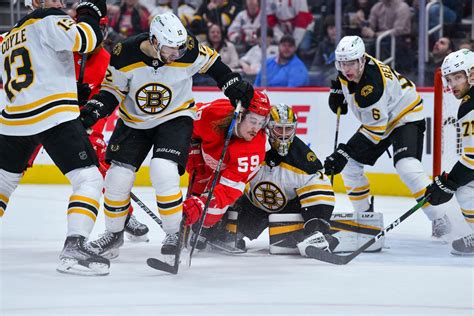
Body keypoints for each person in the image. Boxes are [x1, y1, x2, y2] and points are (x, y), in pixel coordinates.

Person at [81, 12, 255, 258]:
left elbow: (214, 65)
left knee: (163, 170)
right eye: (171, 49)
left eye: (180, 49)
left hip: (175, 117)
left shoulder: (189, 49)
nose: (177, 55)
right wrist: (96, 109)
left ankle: (175, 232)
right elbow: (112, 91)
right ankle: (114, 233)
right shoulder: (124, 53)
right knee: (117, 178)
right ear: (153, 41)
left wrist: (231, 82)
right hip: (134, 121)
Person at [0, 0, 110, 275]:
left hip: (13, 118)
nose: (60, 3)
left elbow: (36, 69)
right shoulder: (49, 18)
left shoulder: (7, 37)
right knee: (89, 178)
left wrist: (71, 89)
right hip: (52, 114)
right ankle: (75, 245)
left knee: (3, 183)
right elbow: (86, 39)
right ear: (35, 2)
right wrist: (90, 13)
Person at [324, 35, 451, 239]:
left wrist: (344, 152)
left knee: (406, 166)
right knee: (350, 164)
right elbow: (347, 86)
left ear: (362, 60)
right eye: (342, 63)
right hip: (383, 115)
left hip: (405, 116)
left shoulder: (372, 87)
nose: (346, 68)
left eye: (351, 63)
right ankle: (364, 217)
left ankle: (440, 216)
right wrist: (339, 91)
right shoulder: (349, 71)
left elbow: (375, 131)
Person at [208, 104, 338, 255]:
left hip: (288, 210)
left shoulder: (304, 158)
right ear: (268, 128)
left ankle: (313, 234)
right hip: (252, 205)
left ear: (294, 128)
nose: (283, 135)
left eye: (288, 129)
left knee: (285, 244)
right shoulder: (251, 148)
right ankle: (212, 226)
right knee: (224, 237)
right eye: (278, 129)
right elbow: (227, 180)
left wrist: (317, 225)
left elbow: (320, 192)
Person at [181, 90, 272, 248]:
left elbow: (229, 188)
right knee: (194, 198)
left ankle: (216, 226)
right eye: (252, 120)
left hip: (229, 176)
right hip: (204, 160)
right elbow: (184, 124)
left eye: (260, 122)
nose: (256, 128)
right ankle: (182, 229)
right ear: (240, 114)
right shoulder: (213, 113)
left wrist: (202, 204)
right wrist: (193, 150)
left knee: (208, 217)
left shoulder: (254, 149)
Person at [424, 49, 474, 255]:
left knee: (464, 190)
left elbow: (472, 158)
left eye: (458, 77)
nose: (452, 84)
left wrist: (449, 182)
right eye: (449, 79)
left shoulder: (470, 105)